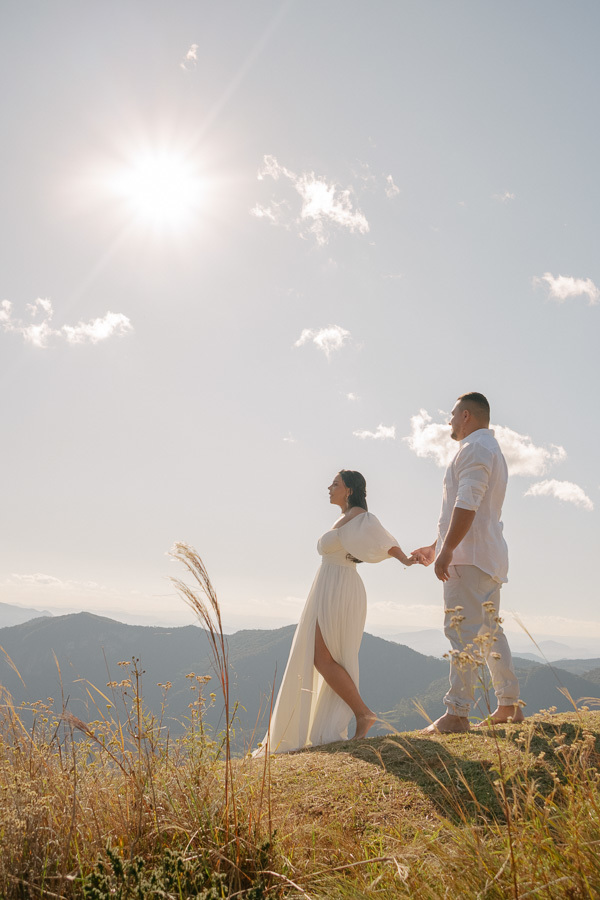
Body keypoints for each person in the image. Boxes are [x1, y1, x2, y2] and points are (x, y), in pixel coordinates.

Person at [253, 470, 416, 756]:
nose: (329, 487)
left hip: (341, 587)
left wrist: (408, 559)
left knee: (323, 658)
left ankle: (363, 713)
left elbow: (385, 542)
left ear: (350, 490)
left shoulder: (363, 517)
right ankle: (357, 715)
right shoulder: (343, 518)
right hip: (328, 586)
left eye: (335, 484)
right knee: (322, 657)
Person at [412, 392, 523, 733]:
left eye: (452, 414)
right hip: (487, 557)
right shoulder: (492, 450)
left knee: (461, 633)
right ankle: (509, 706)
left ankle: (457, 714)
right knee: (489, 632)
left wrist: (446, 552)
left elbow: (468, 503)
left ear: (466, 417)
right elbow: (467, 511)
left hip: (469, 558)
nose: (448, 421)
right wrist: (436, 545)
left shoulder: (474, 449)